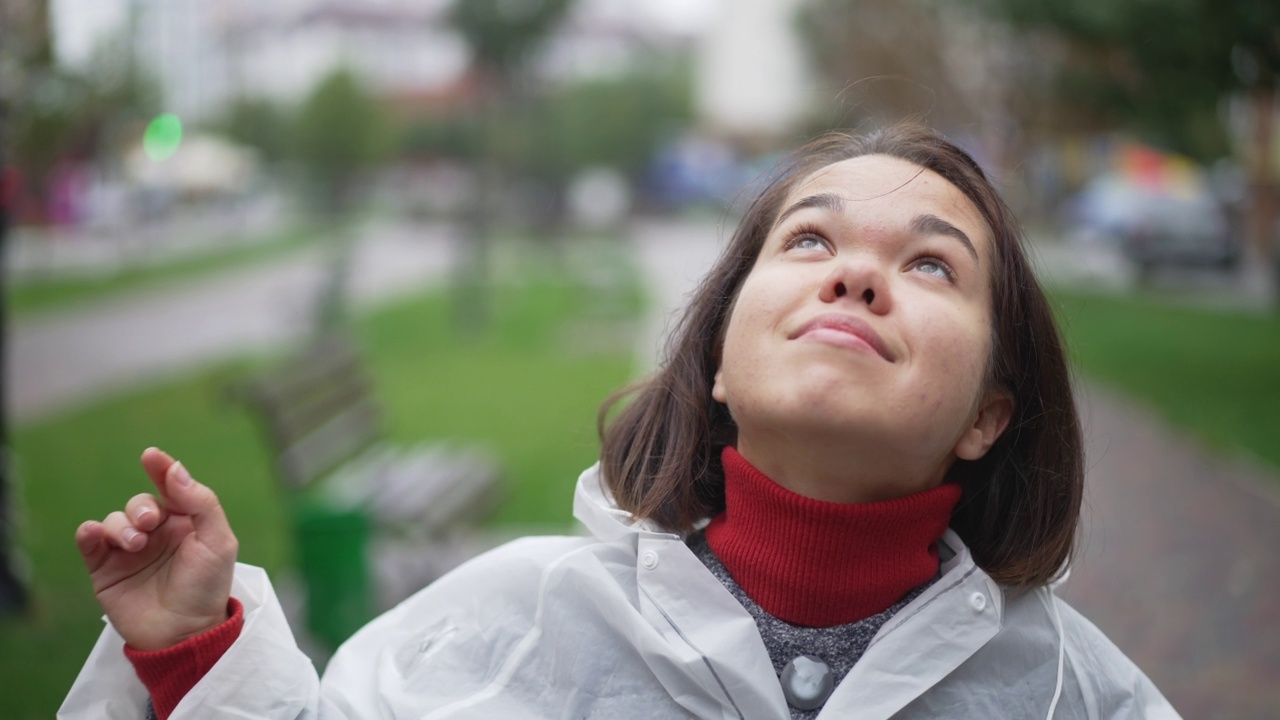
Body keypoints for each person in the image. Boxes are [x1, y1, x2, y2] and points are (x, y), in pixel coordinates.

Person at [60, 124, 1182, 719]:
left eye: (931, 263)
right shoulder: (499, 629)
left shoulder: (1071, 699)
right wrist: (190, 653)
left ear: (990, 414)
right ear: (721, 366)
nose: (853, 276)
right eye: (807, 241)